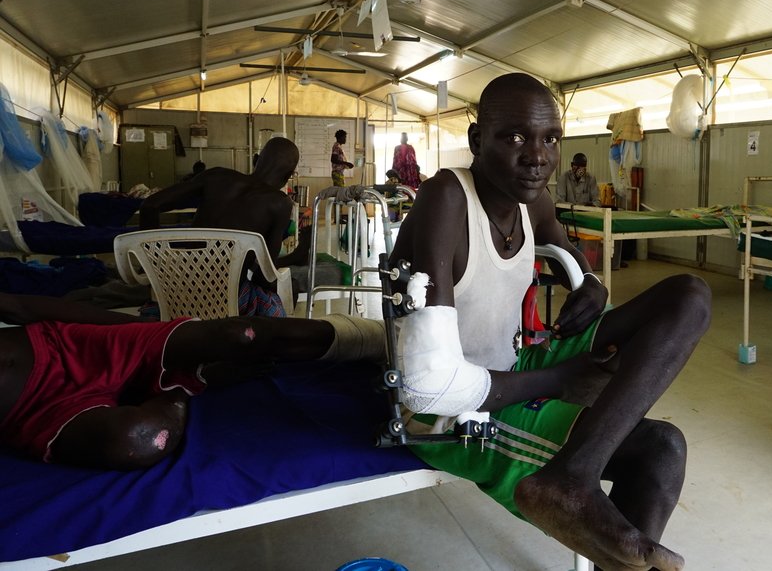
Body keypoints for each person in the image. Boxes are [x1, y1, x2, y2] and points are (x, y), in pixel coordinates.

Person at [388, 73, 710, 571]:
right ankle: (568, 478)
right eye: (514, 137)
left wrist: (590, 284)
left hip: (513, 364)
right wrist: (561, 378)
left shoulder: (530, 199)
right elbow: (427, 389)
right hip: (449, 410)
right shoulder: (447, 197)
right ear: (477, 140)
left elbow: (568, 256)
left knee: (689, 296)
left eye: (550, 138)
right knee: (660, 450)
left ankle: (572, 474)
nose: (537, 155)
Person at [0, 291, 386, 469]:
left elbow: (19, 306)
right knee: (143, 439)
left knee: (240, 335)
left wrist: (145, 331)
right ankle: (185, 384)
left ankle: (382, 339)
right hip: (38, 414)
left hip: (62, 345)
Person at [139, 137, 302, 313]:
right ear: (289, 176)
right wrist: (294, 265)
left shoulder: (216, 176)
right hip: (226, 298)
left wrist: (151, 263)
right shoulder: (280, 204)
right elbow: (264, 275)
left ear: (256, 160)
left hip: (176, 291)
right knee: (283, 293)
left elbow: (149, 205)